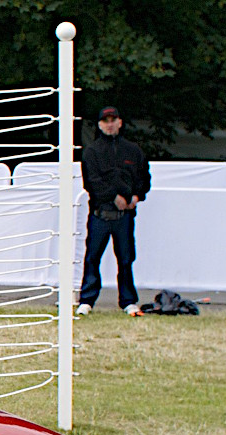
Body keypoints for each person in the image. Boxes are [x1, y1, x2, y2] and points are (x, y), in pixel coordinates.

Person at [78, 105, 151, 317]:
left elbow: (144, 178)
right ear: (100, 125)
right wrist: (113, 197)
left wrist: (136, 197)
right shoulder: (92, 152)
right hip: (100, 214)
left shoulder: (133, 151)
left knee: (126, 259)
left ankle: (128, 301)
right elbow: (92, 182)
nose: (110, 125)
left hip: (124, 216)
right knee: (93, 258)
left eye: (113, 120)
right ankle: (87, 300)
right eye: (105, 121)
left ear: (120, 122)